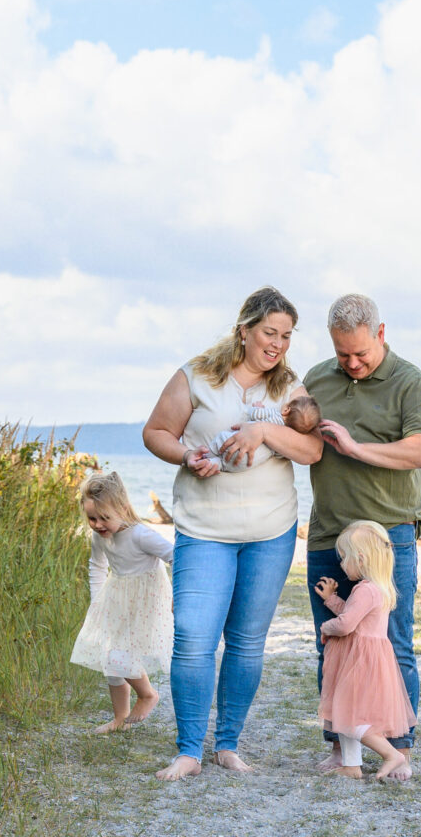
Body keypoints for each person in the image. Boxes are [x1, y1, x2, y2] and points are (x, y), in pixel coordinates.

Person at [143, 286, 323, 781]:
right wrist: (186, 455)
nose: (278, 345)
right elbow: (157, 431)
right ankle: (187, 750)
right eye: (270, 333)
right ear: (244, 330)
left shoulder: (290, 386)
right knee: (194, 636)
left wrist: (263, 432)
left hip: (271, 531)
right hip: (204, 528)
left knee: (246, 641)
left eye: (286, 336)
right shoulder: (196, 376)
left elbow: (312, 450)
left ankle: (227, 745)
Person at [304, 293, 421, 781]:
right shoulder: (318, 378)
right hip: (328, 535)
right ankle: (345, 753)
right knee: (332, 645)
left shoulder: (411, 382)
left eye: (361, 353)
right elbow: (301, 441)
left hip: (388, 538)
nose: (353, 363)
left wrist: (356, 448)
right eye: (343, 354)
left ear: (381, 334)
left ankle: (397, 747)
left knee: (391, 643)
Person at [70, 471, 174, 734]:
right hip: (116, 597)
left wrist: (178, 595)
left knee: (119, 655)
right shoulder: (99, 536)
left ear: (124, 509)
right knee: (109, 657)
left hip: (145, 600)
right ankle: (120, 719)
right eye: (92, 518)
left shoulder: (140, 535)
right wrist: (97, 603)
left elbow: (176, 556)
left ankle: (148, 694)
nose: (97, 524)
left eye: (104, 518)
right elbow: (96, 566)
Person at [315, 520, 416, 781]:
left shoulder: (364, 590)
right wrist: (331, 600)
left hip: (359, 661)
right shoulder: (378, 589)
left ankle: (392, 755)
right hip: (368, 659)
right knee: (344, 711)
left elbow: (347, 623)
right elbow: (354, 615)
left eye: (345, 558)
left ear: (360, 559)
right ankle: (351, 766)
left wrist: (326, 627)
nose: (341, 565)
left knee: (352, 716)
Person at [202, 395, 321, 472]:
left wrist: (258, 408)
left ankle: (206, 456)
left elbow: (254, 414)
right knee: (223, 464)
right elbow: (280, 454)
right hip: (246, 462)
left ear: (286, 410)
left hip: (237, 444)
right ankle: (215, 464)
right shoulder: (286, 438)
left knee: (222, 438)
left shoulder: (275, 414)